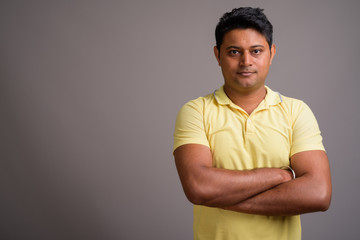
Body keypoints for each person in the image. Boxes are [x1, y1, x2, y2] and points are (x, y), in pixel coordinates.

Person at [173, 7, 332, 240]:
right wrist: (278, 176)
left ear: (272, 53)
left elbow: (318, 194)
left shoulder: (296, 112)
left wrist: (220, 197)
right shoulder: (196, 111)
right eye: (234, 52)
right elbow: (199, 187)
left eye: (256, 51)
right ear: (218, 55)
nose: (246, 61)